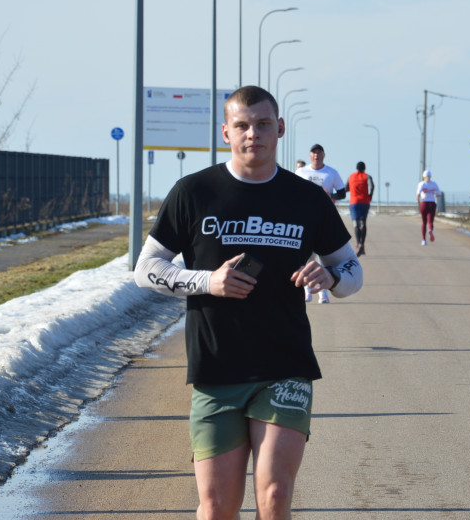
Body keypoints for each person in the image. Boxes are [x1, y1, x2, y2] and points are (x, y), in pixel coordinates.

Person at [133, 86, 363, 520]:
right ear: (226, 132)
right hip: (216, 367)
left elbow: (352, 272)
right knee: (217, 506)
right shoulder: (193, 192)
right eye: (241, 125)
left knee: (274, 496)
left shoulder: (307, 199)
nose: (252, 134)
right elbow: (146, 269)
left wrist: (330, 276)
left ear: (278, 129)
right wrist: (208, 281)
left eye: (261, 124)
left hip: (285, 364)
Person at [295, 143, 347, 303]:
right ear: (310, 156)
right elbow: (291, 192)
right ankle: (307, 290)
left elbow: (342, 194)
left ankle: (323, 293)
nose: (316, 156)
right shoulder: (301, 172)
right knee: (306, 257)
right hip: (304, 220)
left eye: (319, 153)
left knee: (323, 257)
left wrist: (330, 195)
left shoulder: (331, 173)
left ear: (324, 155)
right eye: (314, 153)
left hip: (325, 219)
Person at [345, 161, 375, 256]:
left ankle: (358, 244)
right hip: (364, 202)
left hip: (354, 202)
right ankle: (362, 244)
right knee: (363, 223)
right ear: (364, 168)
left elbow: (346, 188)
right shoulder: (367, 176)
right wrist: (370, 195)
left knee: (356, 224)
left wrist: (353, 188)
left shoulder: (351, 176)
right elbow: (372, 186)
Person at [416, 170, 441, 246]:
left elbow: (418, 194)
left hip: (424, 203)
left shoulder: (421, 184)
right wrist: (434, 195)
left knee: (424, 222)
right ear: (430, 176)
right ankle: (430, 229)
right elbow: (439, 194)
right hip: (432, 203)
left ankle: (424, 240)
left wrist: (418, 200)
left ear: (423, 176)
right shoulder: (434, 184)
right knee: (430, 220)